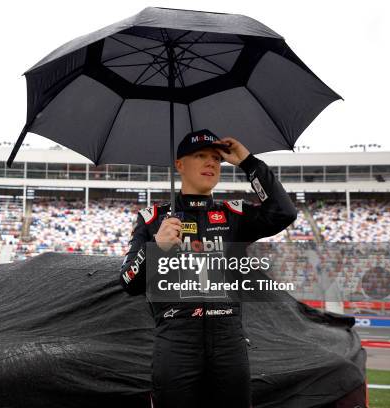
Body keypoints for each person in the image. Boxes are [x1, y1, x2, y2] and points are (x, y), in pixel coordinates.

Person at [119, 129, 297, 408]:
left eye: (216, 158)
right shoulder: (153, 219)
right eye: (200, 156)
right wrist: (155, 247)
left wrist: (248, 163)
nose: (211, 163)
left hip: (229, 341)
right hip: (176, 340)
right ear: (179, 165)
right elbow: (128, 281)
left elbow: (284, 212)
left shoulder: (233, 214)